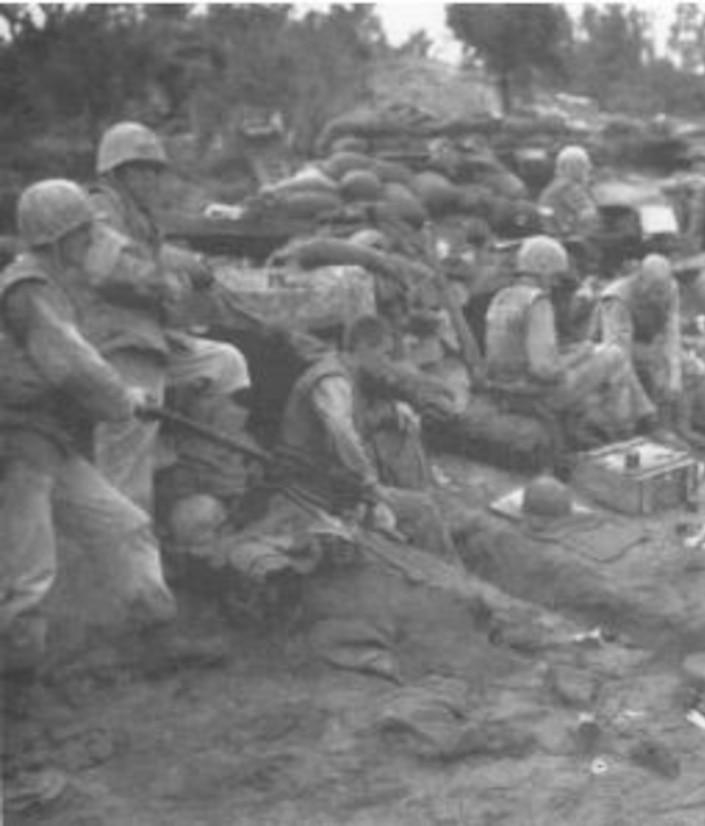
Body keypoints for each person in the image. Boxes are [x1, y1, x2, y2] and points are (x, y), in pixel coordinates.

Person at [0, 180, 198, 682]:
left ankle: (156, 635)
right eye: (84, 234)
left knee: (125, 525)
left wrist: (119, 399)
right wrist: (121, 399)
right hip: (15, 441)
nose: (91, 242)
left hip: (47, 440)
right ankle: (18, 690)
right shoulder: (29, 289)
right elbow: (69, 364)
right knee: (28, 572)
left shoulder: (53, 285)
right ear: (58, 239)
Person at [87, 121, 253, 516]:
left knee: (225, 363)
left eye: (155, 170)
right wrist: (169, 283)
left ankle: (201, 471)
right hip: (107, 341)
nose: (151, 179)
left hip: (147, 334)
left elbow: (150, 251)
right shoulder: (99, 208)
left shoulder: (136, 214)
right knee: (130, 442)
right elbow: (109, 269)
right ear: (115, 172)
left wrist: (192, 265)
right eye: (140, 169)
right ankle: (129, 543)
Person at [277, 315, 454, 554]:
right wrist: (369, 482)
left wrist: (392, 411)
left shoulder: (349, 374)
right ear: (363, 347)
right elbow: (341, 431)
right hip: (310, 483)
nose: (386, 363)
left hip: (329, 476)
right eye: (384, 354)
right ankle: (450, 576)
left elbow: (357, 422)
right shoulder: (333, 379)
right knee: (424, 509)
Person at [484, 235, 655, 448]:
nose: (556, 282)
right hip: (535, 395)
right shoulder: (537, 302)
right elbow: (545, 370)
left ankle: (630, 419)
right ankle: (623, 435)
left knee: (599, 352)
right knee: (616, 355)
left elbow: (520, 352)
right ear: (543, 267)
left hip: (504, 388)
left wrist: (572, 352)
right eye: (555, 275)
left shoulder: (502, 296)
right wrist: (580, 354)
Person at [595, 252, 705, 446]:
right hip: (613, 350)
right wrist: (645, 407)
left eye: (662, 291)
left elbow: (671, 331)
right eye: (654, 290)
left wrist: (676, 374)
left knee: (694, 371)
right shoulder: (617, 298)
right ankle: (658, 428)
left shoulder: (670, 288)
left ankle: (684, 426)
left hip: (651, 342)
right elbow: (619, 356)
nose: (659, 297)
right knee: (655, 368)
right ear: (641, 279)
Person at [538, 145, 600, 240]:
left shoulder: (554, 186)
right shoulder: (569, 187)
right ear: (577, 167)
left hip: (551, 235)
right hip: (567, 239)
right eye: (585, 164)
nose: (590, 168)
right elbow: (588, 215)